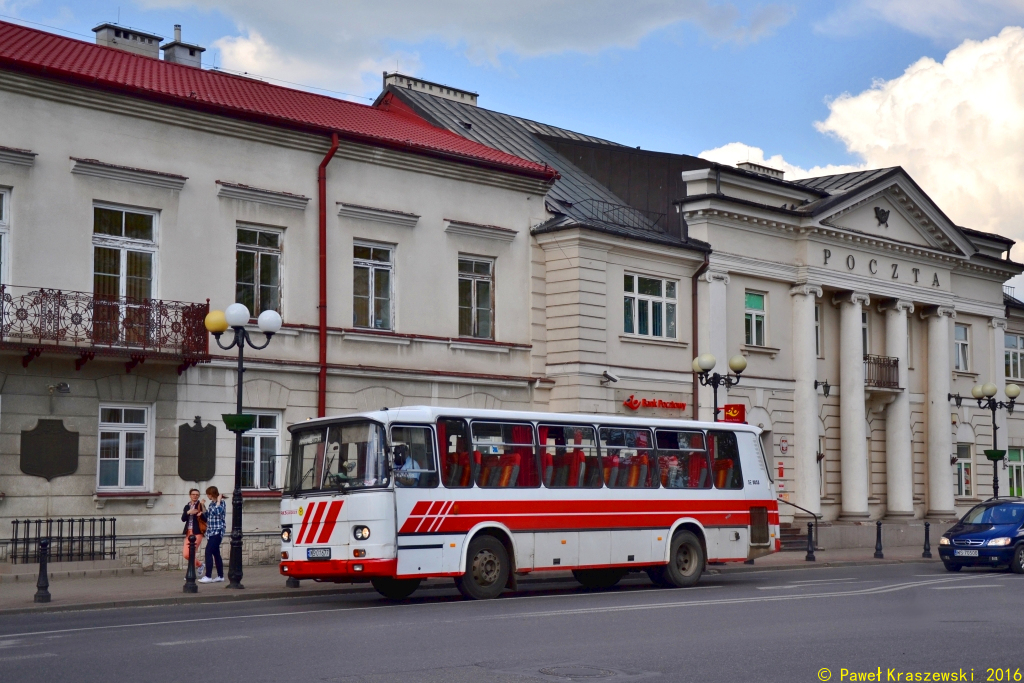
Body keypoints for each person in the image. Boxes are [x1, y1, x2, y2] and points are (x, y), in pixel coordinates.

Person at [199, 486, 225, 583]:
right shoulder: (212, 504)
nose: (207, 496)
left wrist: (218, 501)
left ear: (212, 494)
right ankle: (220, 576)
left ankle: (208, 576)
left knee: (208, 552)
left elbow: (217, 512)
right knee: (216, 553)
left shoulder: (221, 503)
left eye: (208, 494)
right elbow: (207, 516)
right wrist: (202, 506)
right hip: (211, 532)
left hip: (217, 531)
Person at [181, 488, 205, 576]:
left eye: (197, 495)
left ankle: (190, 574)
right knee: (186, 554)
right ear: (190, 495)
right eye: (193, 494)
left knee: (191, 553)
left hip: (197, 532)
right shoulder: (187, 506)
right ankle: (200, 565)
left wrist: (201, 514)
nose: (195, 496)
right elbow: (183, 519)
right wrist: (188, 512)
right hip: (188, 532)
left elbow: (206, 518)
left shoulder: (200, 505)